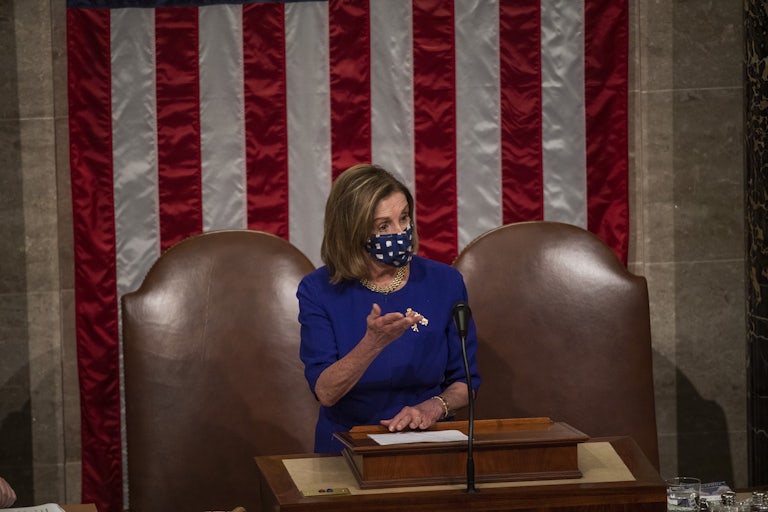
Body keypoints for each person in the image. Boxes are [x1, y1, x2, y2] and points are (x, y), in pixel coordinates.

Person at [298, 163, 481, 453]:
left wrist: (434, 407)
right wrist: (372, 343)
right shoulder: (318, 290)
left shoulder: (445, 282)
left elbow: (465, 381)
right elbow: (326, 392)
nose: (401, 232)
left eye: (404, 218)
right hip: (348, 445)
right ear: (353, 231)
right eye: (384, 226)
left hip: (428, 441)